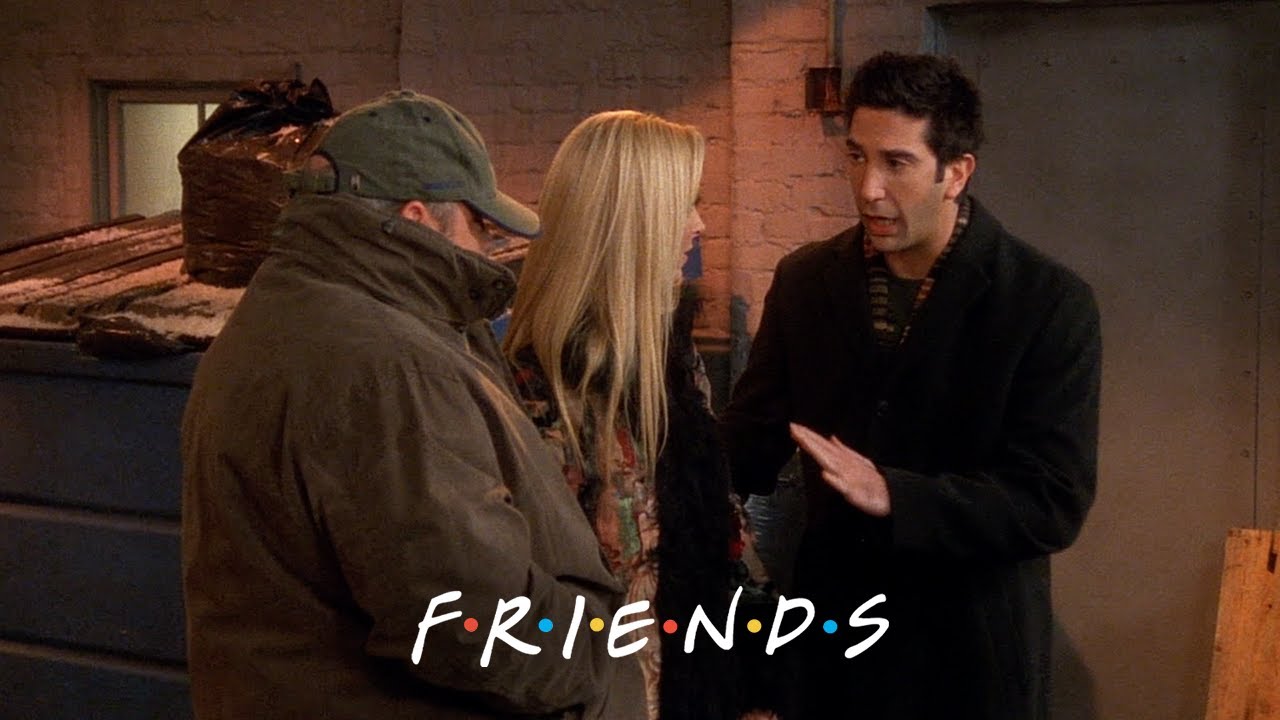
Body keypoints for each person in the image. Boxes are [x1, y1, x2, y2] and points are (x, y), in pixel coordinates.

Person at [181, 91, 644, 719]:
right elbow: (467, 619)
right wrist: (596, 659)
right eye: (481, 227)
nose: (487, 251)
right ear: (419, 216)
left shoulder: (287, 315)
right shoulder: (383, 360)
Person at [722, 52, 1102, 719]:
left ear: (957, 172)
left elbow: (1050, 501)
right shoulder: (806, 281)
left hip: (967, 659)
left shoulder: (1045, 301)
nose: (868, 188)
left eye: (896, 163)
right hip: (833, 650)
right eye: (856, 157)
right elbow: (750, 441)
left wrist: (896, 495)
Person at [502, 111, 780, 720]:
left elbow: (718, 534)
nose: (700, 225)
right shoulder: (537, 388)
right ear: (631, 221)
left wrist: (755, 683)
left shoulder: (669, 363)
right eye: (685, 204)